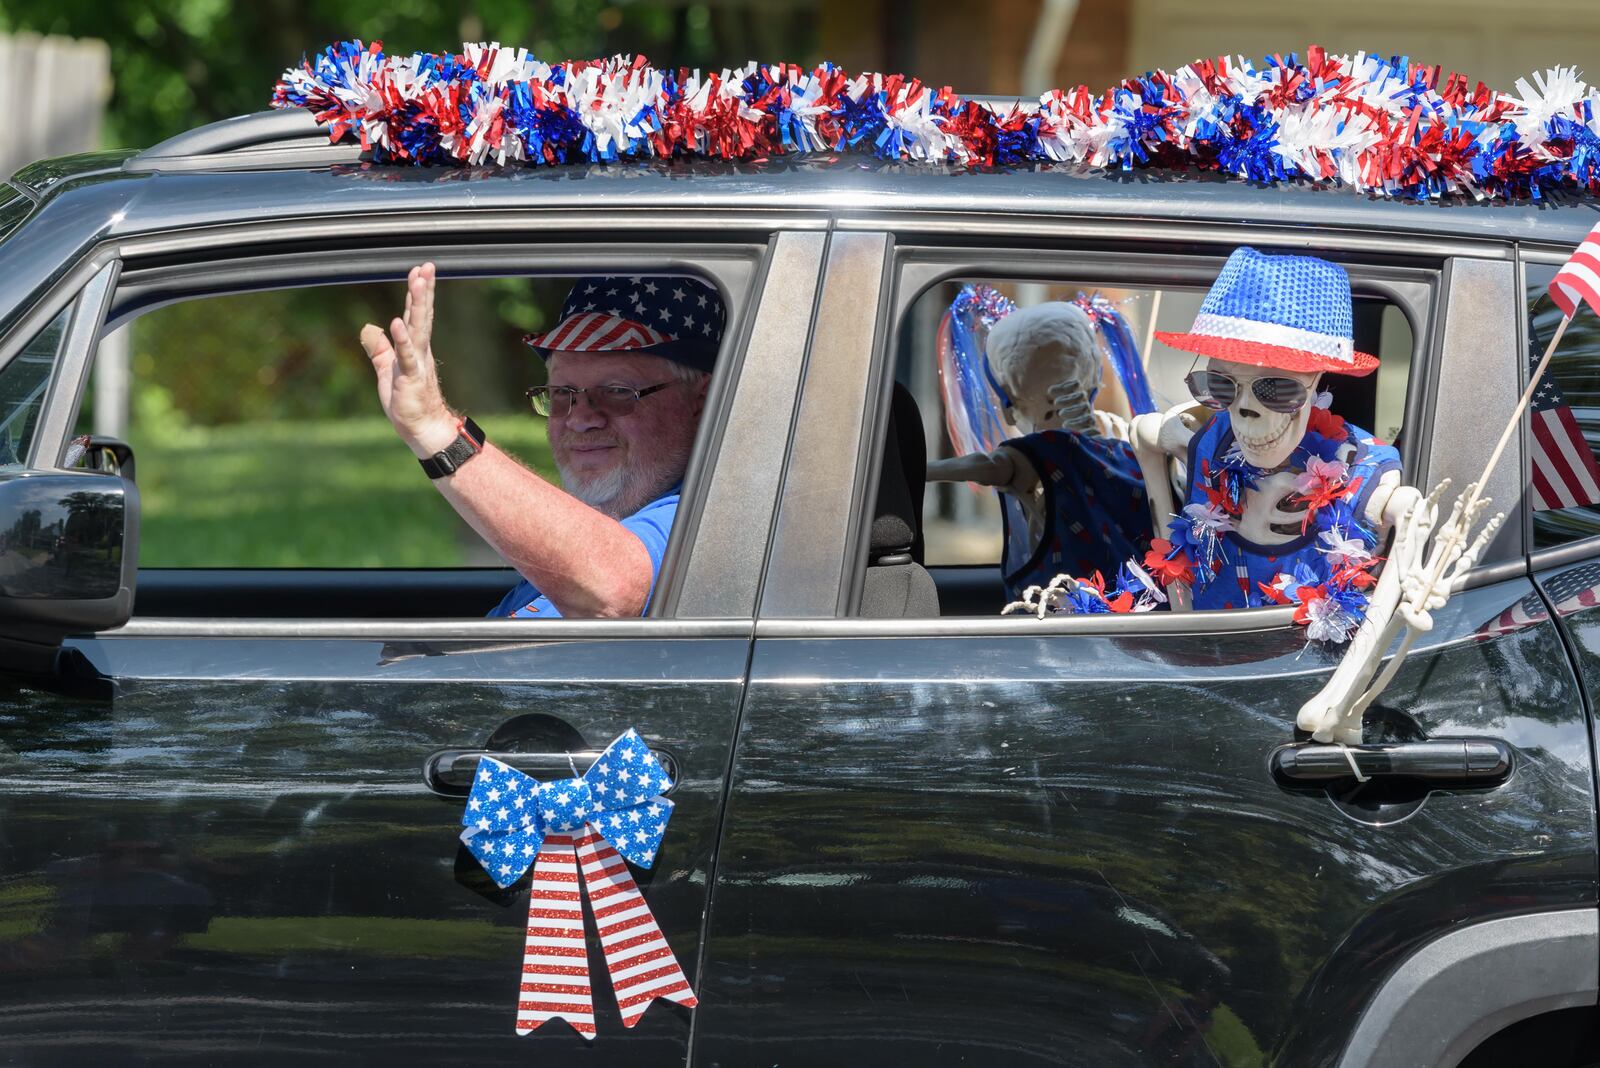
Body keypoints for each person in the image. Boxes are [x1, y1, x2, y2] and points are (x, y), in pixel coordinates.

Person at [358, 264, 721, 618]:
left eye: (617, 391)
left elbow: (614, 590)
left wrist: (436, 431)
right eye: (562, 393)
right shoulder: (592, 535)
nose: (579, 418)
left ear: (700, 401)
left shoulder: (709, 520)